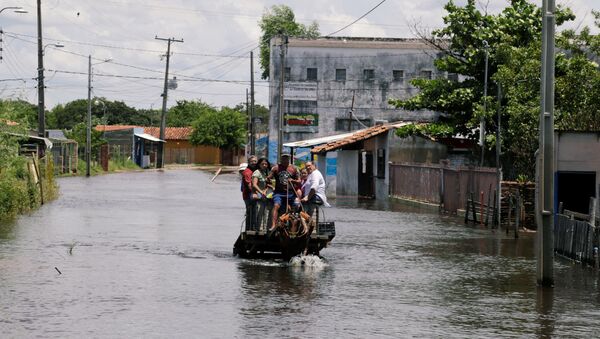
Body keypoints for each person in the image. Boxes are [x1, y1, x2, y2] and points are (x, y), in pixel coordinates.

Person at [268, 153, 300, 231]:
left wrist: (293, 180)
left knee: (297, 207)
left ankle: (296, 227)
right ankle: (273, 225)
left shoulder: (294, 168)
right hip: (278, 193)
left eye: (286, 158)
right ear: (281, 159)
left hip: (291, 193)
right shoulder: (275, 168)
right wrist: (270, 182)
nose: (285, 159)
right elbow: (268, 178)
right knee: (276, 206)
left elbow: (299, 181)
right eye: (283, 158)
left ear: (289, 159)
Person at [252, 158, 272, 231]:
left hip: (266, 195)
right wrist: (261, 192)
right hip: (259, 195)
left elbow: (267, 184)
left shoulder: (266, 172)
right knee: (260, 213)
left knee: (267, 212)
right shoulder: (257, 172)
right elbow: (254, 185)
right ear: (259, 165)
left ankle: (265, 228)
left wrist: (266, 190)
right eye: (262, 164)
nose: (264, 165)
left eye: (266, 164)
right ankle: (259, 229)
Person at [241, 156, 258, 230]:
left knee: (253, 212)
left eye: (255, 161)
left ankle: (252, 227)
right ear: (249, 162)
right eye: (252, 161)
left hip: (252, 194)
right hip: (248, 195)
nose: (254, 163)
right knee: (250, 212)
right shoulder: (247, 172)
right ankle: (249, 228)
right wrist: (257, 193)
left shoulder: (255, 171)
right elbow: (250, 186)